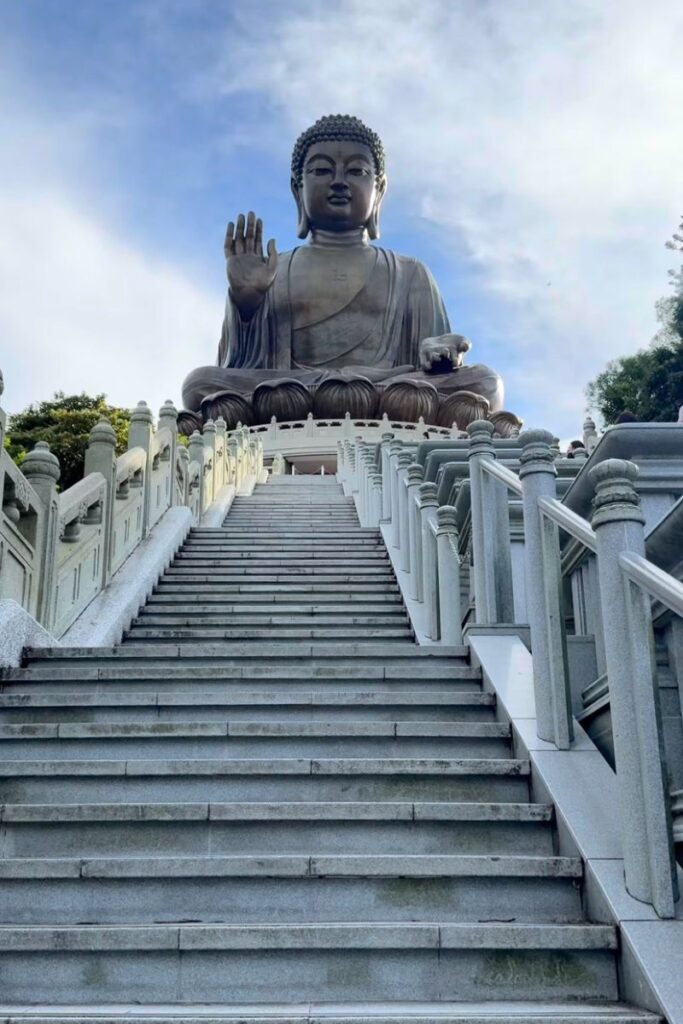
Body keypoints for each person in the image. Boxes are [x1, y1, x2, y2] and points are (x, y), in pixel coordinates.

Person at [180, 115, 506, 430]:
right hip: (297, 392)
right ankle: (348, 392)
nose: (338, 182)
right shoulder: (275, 270)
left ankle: (353, 392)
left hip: (390, 390)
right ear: (298, 188)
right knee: (199, 384)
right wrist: (246, 306)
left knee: (485, 384)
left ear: (379, 189)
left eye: (356, 171)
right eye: (322, 170)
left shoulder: (410, 273)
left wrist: (439, 353)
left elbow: (436, 365)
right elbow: (238, 367)